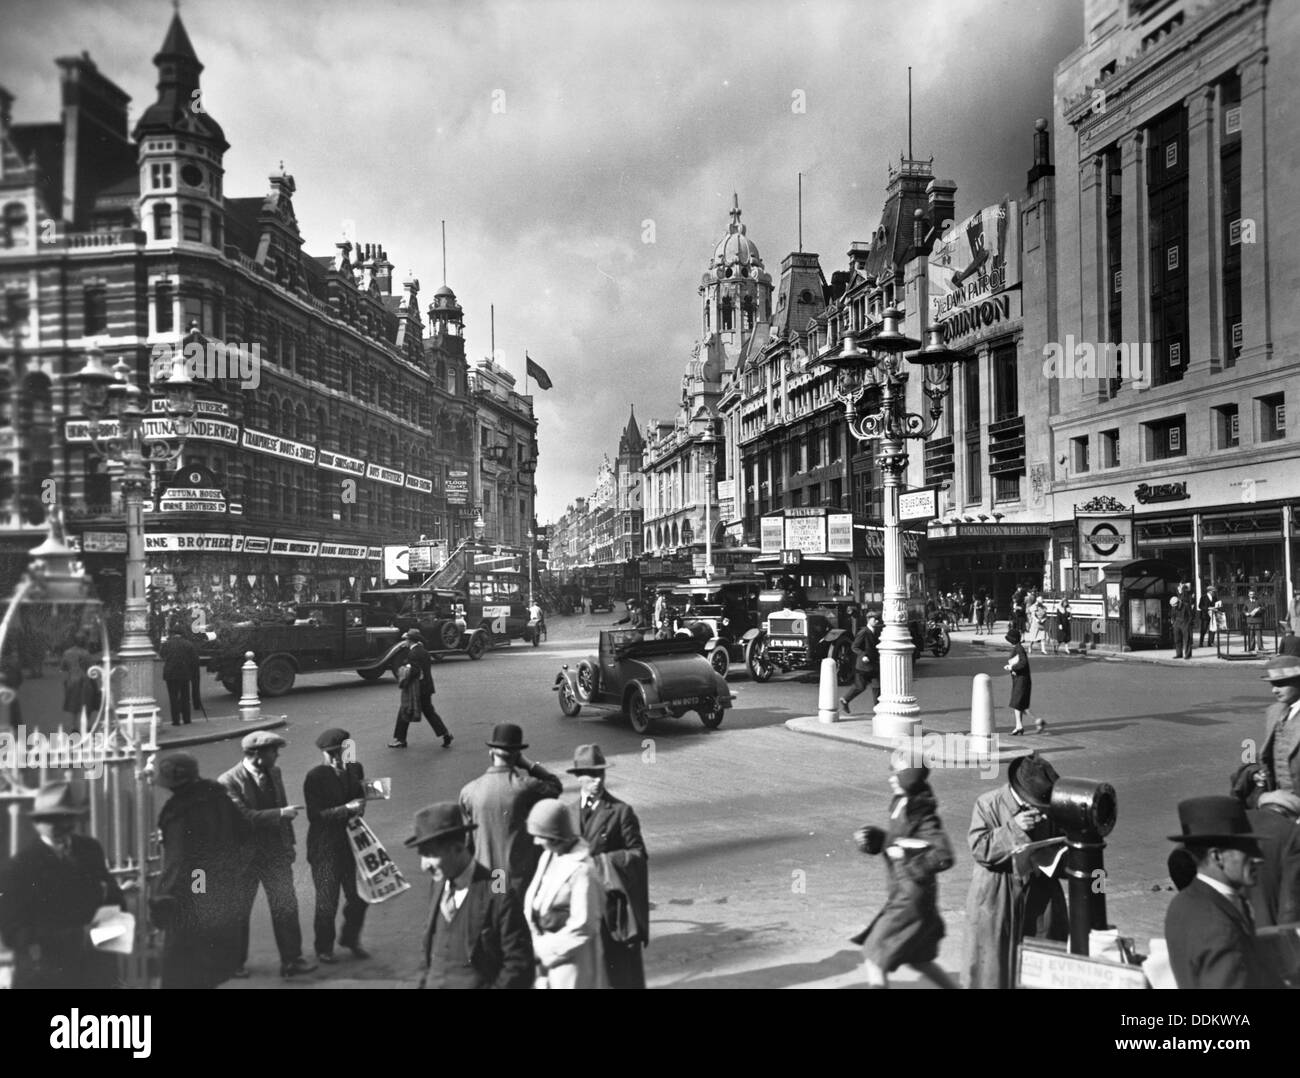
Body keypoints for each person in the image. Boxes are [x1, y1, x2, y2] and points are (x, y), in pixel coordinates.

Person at [0, 782, 125, 989]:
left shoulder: (90, 849)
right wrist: (78, 936)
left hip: (94, 970)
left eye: (65, 818)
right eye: (51, 819)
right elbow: (13, 933)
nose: (60, 825)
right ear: (37, 822)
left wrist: (115, 922)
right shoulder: (20, 866)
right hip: (46, 975)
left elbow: (113, 896)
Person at [851, 762, 959, 989]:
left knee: (875, 954)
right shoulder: (902, 802)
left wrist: (907, 856)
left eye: (897, 774)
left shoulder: (923, 814)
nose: (891, 778)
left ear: (909, 779)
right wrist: (881, 840)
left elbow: (943, 856)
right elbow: (900, 839)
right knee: (920, 960)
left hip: (911, 898)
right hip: (906, 892)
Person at [217, 730, 316, 978]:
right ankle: (232, 962)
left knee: (286, 907)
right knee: (239, 910)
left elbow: (281, 803)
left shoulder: (275, 772)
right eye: (273, 751)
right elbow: (245, 818)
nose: (277, 755)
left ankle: (292, 960)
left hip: (274, 855)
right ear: (257, 755)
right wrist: (281, 814)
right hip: (243, 859)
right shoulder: (227, 781)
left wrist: (289, 847)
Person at [965, 752, 1068, 989]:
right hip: (998, 894)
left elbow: (1064, 843)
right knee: (995, 966)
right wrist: (1013, 829)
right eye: (1037, 807)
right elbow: (981, 849)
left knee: (1041, 963)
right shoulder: (988, 804)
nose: (1042, 813)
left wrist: (1057, 856)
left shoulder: (1049, 806)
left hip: (1040, 891)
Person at [407, 801, 534, 989]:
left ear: (458, 847)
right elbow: (429, 952)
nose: (424, 865)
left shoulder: (497, 891)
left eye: (430, 854)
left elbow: (519, 964)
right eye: (421, 855)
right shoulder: (438, 884)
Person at [1164, 796, 1283, 989]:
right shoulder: (1219, 929)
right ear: (1217, 857)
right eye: (1248, 849)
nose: (1259, 859)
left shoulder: (1183, 902)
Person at [151, 752, 248, 988]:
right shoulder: (219, 798)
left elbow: (180, 859)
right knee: (210, 964)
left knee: (184, 966)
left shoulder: (180, 811)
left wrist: (164, 897)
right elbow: (243, 831)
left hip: (195, 894)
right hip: (224, 887)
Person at [568, 744, 649, 988]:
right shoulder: (568, 814)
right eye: (591, 775)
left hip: (611, 911)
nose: (597, 780)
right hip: (579, 911)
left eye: (600, 774)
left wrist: (602, 863)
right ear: (578, 777)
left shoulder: (620, 812)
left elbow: (638, 854)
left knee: (619, 976)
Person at [459, 723, 563, 895]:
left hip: (488, 877)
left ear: (491, 753)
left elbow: (467, 843)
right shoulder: (526, 788)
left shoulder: (469, 791)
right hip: (521, 878)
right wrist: (529, 765)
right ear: (517, 756)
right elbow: (555, 786)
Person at [523, 799, 608, 988]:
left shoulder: (582, 870)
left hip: (571, 965)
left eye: (540, 835)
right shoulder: (548, 856)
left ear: (555, 836)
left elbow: (584, 926)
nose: (536, 841)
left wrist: (542, 950)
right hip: (543, 960)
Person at [1228, 764, 1300, 984]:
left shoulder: (1236, 821)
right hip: (1269, 930)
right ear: (1291, 814)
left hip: (1229, 923)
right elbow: (1291, 900)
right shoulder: (1292, 834)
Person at [303, 727, 369, 965]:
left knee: (360, 897)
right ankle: (324, 947)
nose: (334, 758)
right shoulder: (315, 777)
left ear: (345, 750)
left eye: (337, 752)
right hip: (325, 847)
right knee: (327, 901)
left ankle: (350, 938)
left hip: (352, 845)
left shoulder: (356, 769)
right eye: (329, 753)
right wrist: (347, 809)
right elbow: (315, 816)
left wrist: (360, 806)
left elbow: (361, 798)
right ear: (324, 753)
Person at [389, 629, 453, 748]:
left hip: (416, 688)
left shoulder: (413, 653)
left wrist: (405, 670)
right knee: (429, 712)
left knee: (405, 709)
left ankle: (400, 739)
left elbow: (415, 670)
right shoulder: (423, 651)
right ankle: (445, 733)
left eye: (406, 640)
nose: (405, 642)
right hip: (427, 687)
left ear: (410, 640)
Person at [1259, 658, 1300, 797]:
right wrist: (1254, 771)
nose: (1274, 690)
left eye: (1281, 684)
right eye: (1272, 684)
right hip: (1280, 798)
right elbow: (1267, 751)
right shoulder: (1274, 711)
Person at [841, 606, 883, 716]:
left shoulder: (876, 631)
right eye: (875, 619)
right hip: (863, 666)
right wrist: (863, 655)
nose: (877, 621)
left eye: (878, 619)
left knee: (877, 687)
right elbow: (854, 647)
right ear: (868, 620)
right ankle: (845, 700)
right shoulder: (864, 632)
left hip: (873, 665)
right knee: (860, 687)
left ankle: (878, 710)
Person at [1003, 628, 1044, 735]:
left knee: (1017, 703)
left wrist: (1011, 667)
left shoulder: (1019, 648)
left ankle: (1020, 726)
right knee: (1021, 704)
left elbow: (1023, 663)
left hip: (1021, 680)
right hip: (1020, 679)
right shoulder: (1018, 647)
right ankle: (1035, 721)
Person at [159, 626, 199, 726]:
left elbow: (162, 655)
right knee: (185, 697)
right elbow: (194, 659)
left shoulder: (167, 644)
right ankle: (186, 719)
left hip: (171, 673)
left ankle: (175, 720)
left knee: (173, 697)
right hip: (184, 673)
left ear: (172, 634)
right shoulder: (188, 644)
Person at [59, 631, 100, 721]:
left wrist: (65, 683)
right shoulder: (86, 654)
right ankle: (87, 724)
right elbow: (91, 670)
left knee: (74, 704)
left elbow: (63, 669)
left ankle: (74, 726)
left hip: (71, 681)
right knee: (88, 704)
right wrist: (96, 683)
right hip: (85, 681)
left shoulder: (67, 653)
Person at [1244, 589, 1264, 653]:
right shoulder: (1246, 602)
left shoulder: (1259, 601)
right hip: (1250, 620)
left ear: (1255, 594)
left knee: (1259, 635)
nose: (1251, 595)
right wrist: (1246, 613)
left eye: (1252, 594)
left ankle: (1260, 647)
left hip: (1258, 620)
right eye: (1250, 594)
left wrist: (1258, 611)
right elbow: (1244, 609)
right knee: (1251, 635)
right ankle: (1251, 647)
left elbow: (1264, 608)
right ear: (1248, 595)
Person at [1199, 585, 1219, 649]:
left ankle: (1210, 642)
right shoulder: (1203, 597)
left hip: (1213, 616)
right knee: (1203, 630)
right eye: (1213, 591)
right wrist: (1208, 608)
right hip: (1205, 616)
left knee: (1212, 629)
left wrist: (1216, 608)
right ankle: (1201, 642)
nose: (1214, 593)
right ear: (1210, 591)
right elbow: (1200, 606)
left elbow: (1217, 605)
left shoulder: (1215, 598)